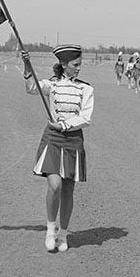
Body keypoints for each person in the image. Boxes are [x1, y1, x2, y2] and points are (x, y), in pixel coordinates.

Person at [21, 45, 93, 253]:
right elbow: (31, 88)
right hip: (53, 138)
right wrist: (27, 65)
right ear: (64, 65)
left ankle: (63, 234)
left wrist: (63, 125)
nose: (78, 69)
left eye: (79, 65)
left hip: (73, 141)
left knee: (68, 191)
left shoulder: (86, 89)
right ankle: (50, 229)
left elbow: (85, 118)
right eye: (75, 65)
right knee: (55, 185)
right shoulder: (51, 85)